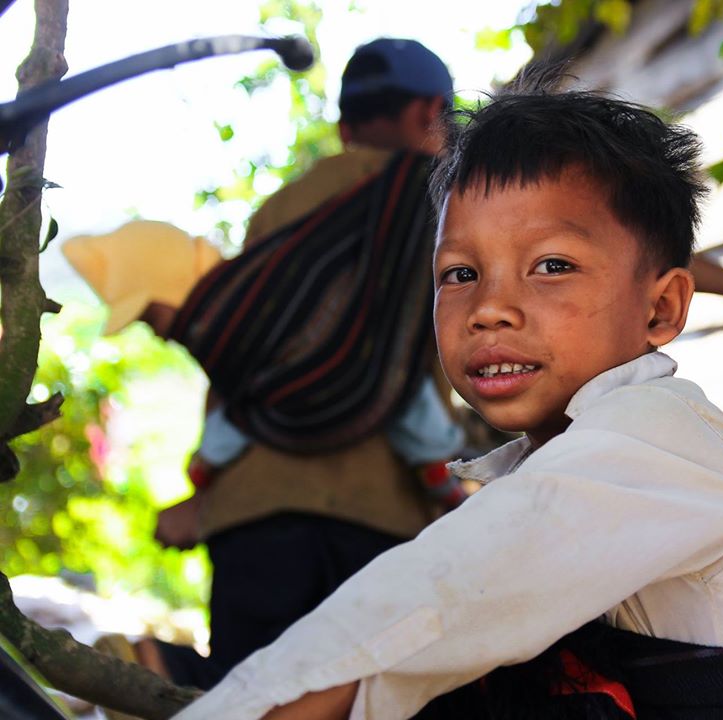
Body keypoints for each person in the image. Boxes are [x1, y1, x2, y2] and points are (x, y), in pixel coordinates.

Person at [171, 83, 723, 720]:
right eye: (459, 273)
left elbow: (426, 605)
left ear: (661, 307)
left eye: (552, 265)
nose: (489, 309)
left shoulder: (656, 435)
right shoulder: (562, 457)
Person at [62, 36, 469, 691]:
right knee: (365, 694)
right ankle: (159, 672)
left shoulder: (283, 207)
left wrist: (203, 489)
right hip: (381, 505)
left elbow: (243, 362)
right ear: (431, 112)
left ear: (344, 126)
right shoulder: (441, 206)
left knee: (254, 685)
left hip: (256, 503)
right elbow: (406, 368)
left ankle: (157, 669)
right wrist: (448, 488)